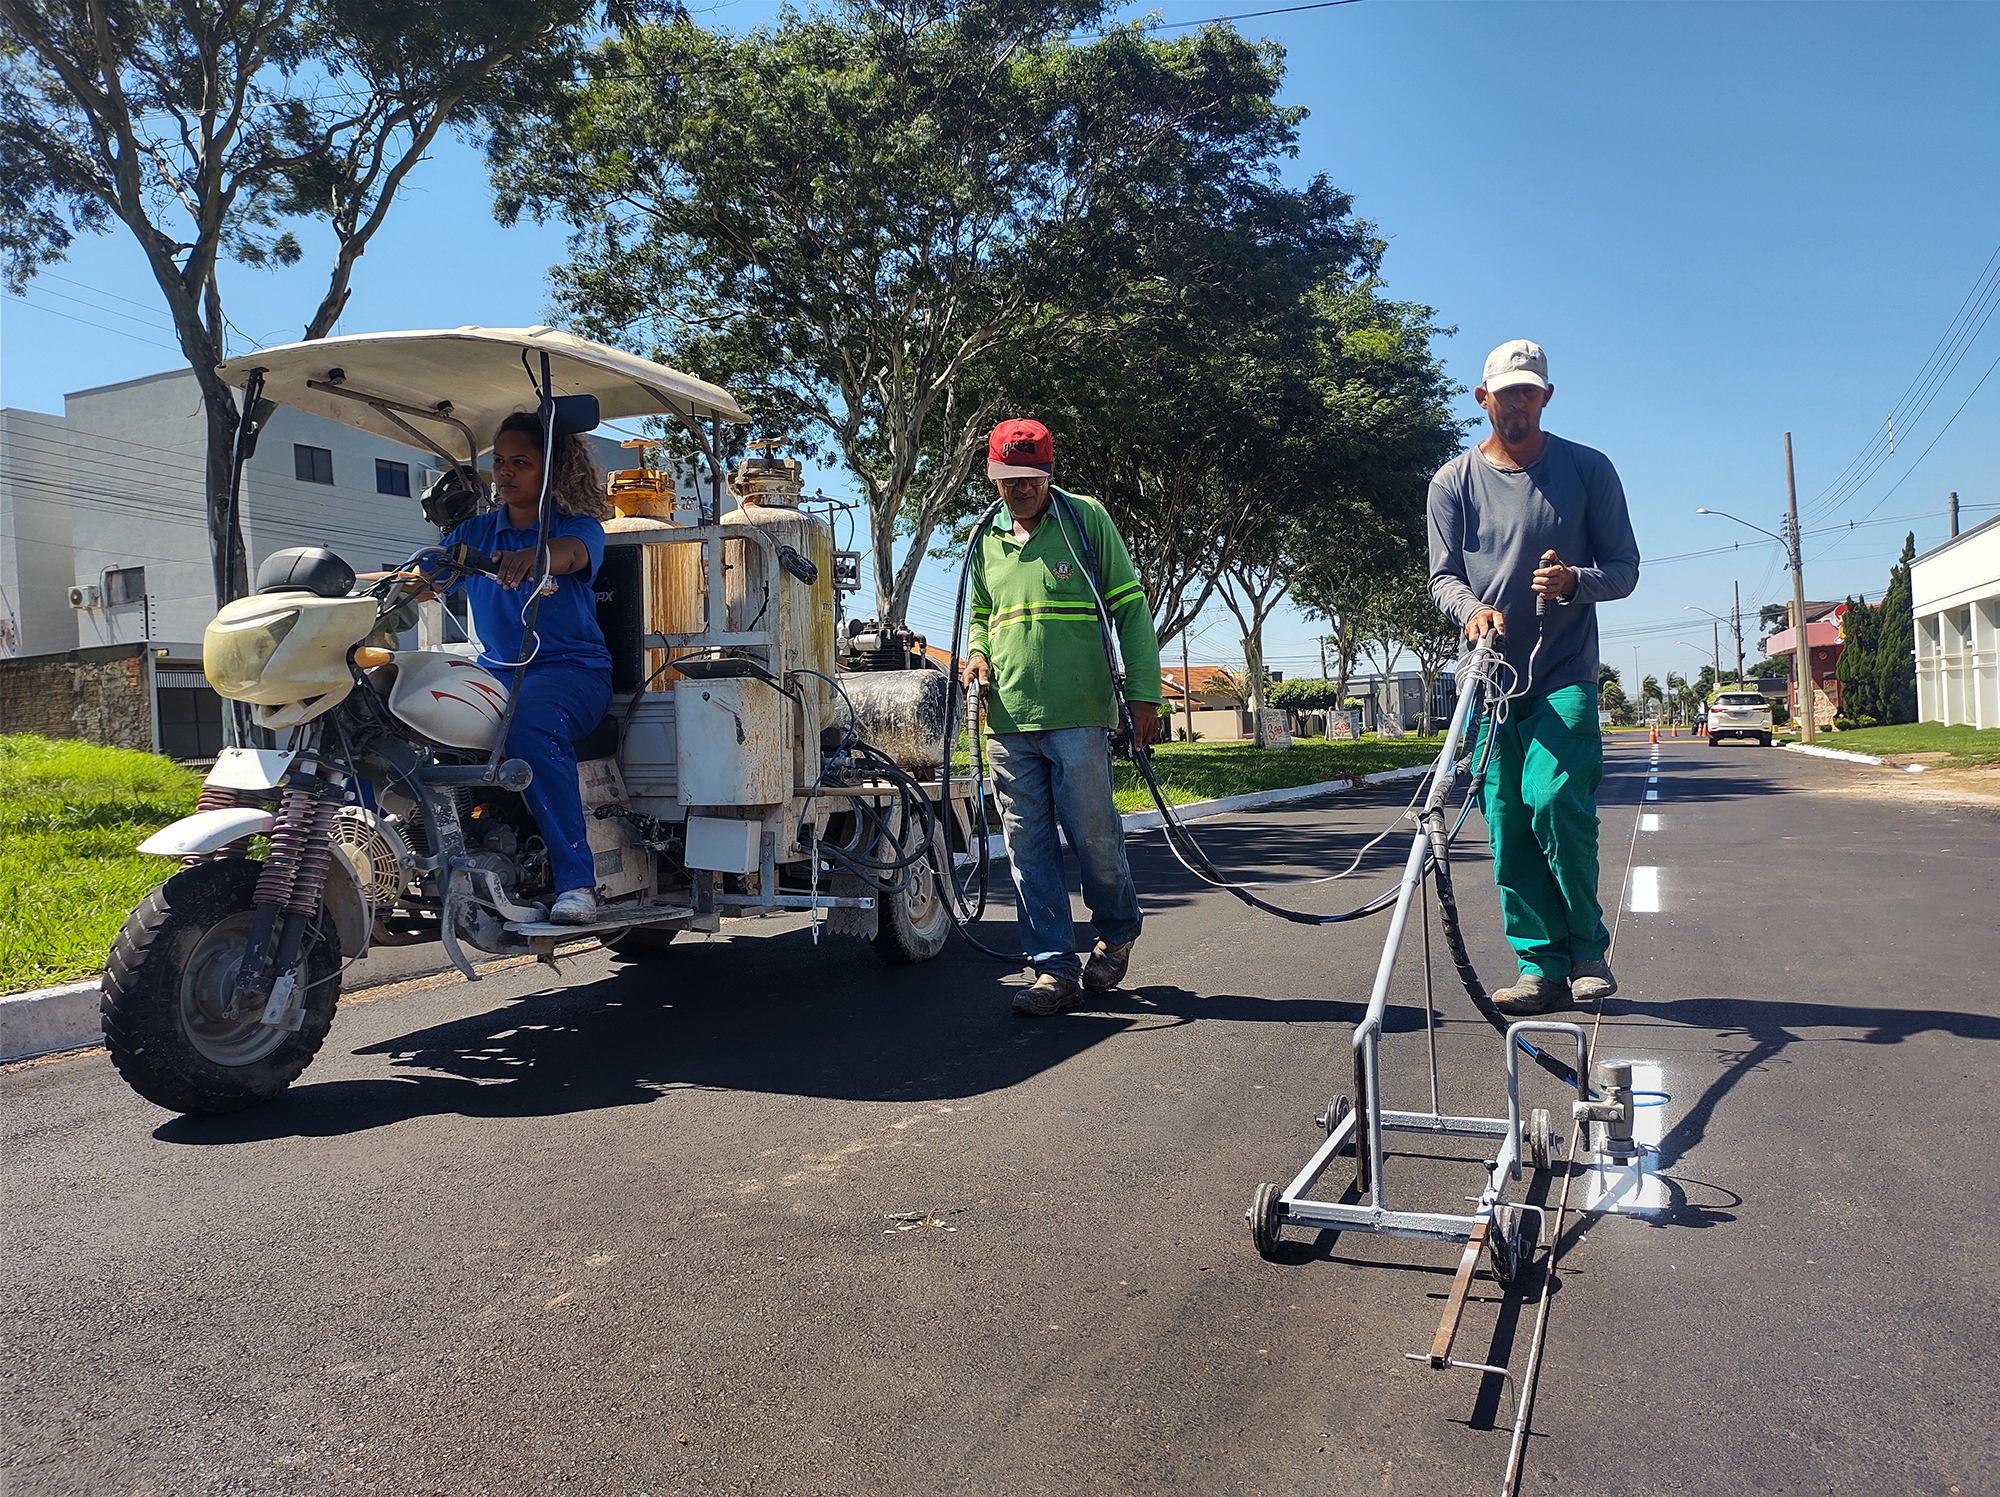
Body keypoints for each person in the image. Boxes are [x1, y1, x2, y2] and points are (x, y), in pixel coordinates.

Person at [1428, 341, 1641, 1014]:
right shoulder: (1452, 483)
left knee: (1552, 799)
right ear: (1481, 397)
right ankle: (1538, 966)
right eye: (1506, 391)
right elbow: (1442, 577)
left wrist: (1576, 580)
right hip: (1488, 681)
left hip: (1563, 673)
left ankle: (1585, 949)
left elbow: (1626, 568)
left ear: (1546, 397)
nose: (1517, 401)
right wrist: (1471, 611)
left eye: (1530, 390)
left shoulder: (1588, 470)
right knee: (1507, 822)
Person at [960, 419, 1163, 1016]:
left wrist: (1144, 696)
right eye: (1006, 478)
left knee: (1094, 837)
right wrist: (975, 653)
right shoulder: (984, 537)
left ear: (1049, 472)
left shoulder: (1084, 520)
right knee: (1028, 848)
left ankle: (1118, 930)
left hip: (1080, 714)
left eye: (1029, 478)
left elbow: (1130, 607)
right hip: (1007, 719)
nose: (1018, 489)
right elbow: (978, 610)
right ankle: (1053, 969)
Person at [439, 411, 615, 925]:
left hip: (571, 673)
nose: (506, 472)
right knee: (398, 706)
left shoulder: (575, 526)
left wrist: (537, 558)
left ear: (551, 469)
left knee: (530, 724)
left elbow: (572, 554)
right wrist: (417, 579)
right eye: (499, 462)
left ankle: (577, 882)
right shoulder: (473, 532)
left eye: (522, 462)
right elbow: (428, 573)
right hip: (496, 672)